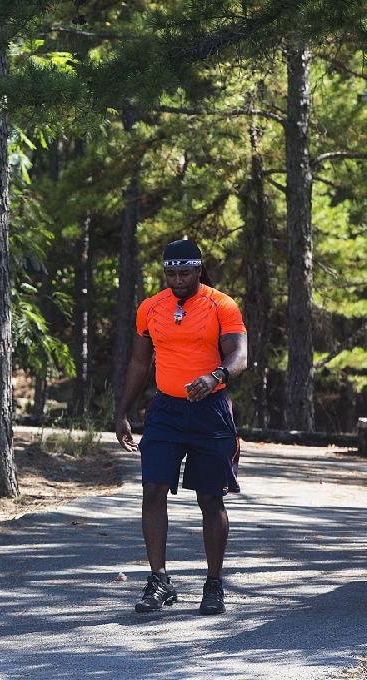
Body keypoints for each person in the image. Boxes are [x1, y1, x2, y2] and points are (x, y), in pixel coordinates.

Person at [114, 238, 247, 615]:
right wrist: (123, 410)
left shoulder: (221, 304)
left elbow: (239, 355)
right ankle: (159, 580)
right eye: (170, 273)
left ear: (199, 269)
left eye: (184, 272)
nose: (177, 279)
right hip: (166, 411)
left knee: (209, 497)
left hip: (211, 411)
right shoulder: (150, 308)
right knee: (152, 490)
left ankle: (214, 583)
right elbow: (140, 364)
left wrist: (215, 375)